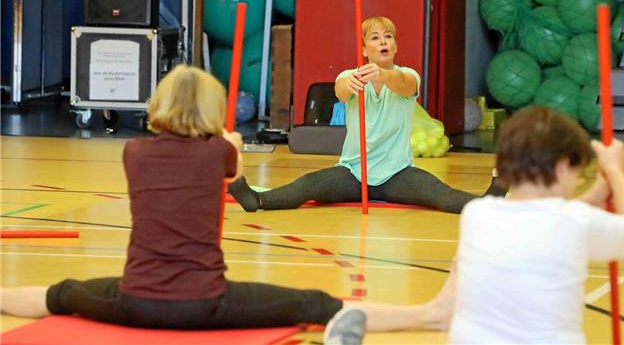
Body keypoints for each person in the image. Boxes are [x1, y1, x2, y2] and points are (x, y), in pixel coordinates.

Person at [0, 65, 367, 344]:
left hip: (134, 299)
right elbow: (233, 172)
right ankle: (423, 315)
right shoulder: (219, 152)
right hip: (206, 302)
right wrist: (234, 145)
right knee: (313, 304)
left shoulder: (135, 151)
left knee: (63, 293)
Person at [228, 16, 488, 214]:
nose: (383, 41)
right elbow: (341, 91)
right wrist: (350, 83)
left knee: (439, 194)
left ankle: (490, 205)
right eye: (375, 38)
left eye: (388, 37)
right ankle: (258, 200)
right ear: (364, 49)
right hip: (353, 173)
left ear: (395, 46)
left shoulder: (407, 75)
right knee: (308, 184)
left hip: (397, 173)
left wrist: (383, 74)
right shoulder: (350, 76)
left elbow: (404, 84)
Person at [447, 106, 624, 344]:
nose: (577, 182)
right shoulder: (573, 221)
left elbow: (545, 221)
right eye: (578, 175)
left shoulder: (477, 214)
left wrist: (595, 194)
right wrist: (616, 172)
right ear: (562, 167)